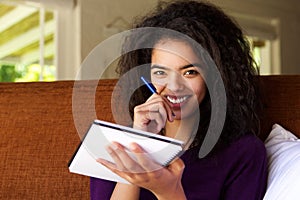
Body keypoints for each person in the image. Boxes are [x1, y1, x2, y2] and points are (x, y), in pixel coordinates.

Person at [90, 0, 268, 199]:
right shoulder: (114, 145)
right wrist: (138, 144)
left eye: (190, 72)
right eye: (160, 72)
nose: (174, 86)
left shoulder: (243, 153)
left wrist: (169, 192)